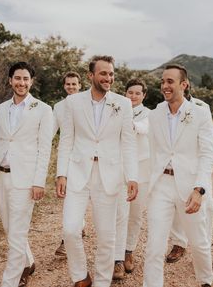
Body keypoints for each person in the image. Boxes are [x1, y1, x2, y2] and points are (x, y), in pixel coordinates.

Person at [56, 55, 139, 287]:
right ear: (91, 75)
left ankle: (103, 282)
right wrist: (61, 173)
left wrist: (132, 176)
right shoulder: (72, 103)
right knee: (71, 230)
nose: (109, 78)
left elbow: (128, 142)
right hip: (77, 173)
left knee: (107, 235)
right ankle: (81, 276)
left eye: (111, 74)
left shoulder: (122, 103)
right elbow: (67, 139)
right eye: (103, 73)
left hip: (110, 175)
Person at [143, 64, 213, 287]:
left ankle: (205, 281)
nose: (164, 86)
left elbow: (207, 153)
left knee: (199, 242)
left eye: (170, 81)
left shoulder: (201, 114)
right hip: (161, 185)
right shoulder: (155, 115)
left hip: (190, 186)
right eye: (163, 81)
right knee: (154, 246)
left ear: (184, 84)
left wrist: (199, 188)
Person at [0, 62, 53, 287]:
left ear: (31, 82)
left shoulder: (43, 109)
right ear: (10, 80)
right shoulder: (1, 109)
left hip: (26, 180)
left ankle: (9, 282)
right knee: (9, 229)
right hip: (1, 177)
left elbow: (45, 149)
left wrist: (38, 182)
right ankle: (28, 261)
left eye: (25, 79)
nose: (21, 83)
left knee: (17, 233)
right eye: (17, 78)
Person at [166, 81, 213, 264]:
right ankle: (178, 244)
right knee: (178, 205)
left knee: (207, 205)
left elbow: (211, 134)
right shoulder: (165, 108)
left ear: (185, 85)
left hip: (200, 165)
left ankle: (203, 252)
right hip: (178, 166)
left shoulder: (201, 106)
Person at [113, 78, 150, 280]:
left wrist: (128, 124)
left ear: (144, 95)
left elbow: (143, 128)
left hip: (141, 171)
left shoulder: (149, 115)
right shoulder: (116, 109)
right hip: (120, 169)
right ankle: (117, 259)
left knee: (135, 215)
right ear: (125, 93)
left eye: (137, 93)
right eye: (130, 92)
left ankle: (129, 250)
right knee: (120, 214)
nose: (133, 96)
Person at [53, 71, 82, 257]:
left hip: (86, 158)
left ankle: (78, 227)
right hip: (67, 157)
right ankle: (66, 240)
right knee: (71, 199)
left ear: (80, 85)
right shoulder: (58, 107)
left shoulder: (87, 103)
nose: (71, 87)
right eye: (68, 84)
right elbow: (51, 131)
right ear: (64, 86)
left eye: (74, 84)